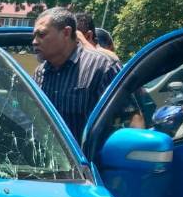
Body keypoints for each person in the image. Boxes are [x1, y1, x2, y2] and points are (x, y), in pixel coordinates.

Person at [31, 7, 120, 142]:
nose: (35, 41)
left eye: (42, 34)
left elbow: (129, 119)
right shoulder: (39, 73)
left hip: (89, 161)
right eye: (34, 36)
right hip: (46, 160)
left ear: (66, 33)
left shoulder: (103, 67)